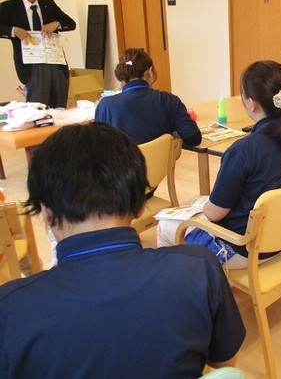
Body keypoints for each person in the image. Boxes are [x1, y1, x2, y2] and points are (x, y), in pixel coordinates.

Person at [0, 122, 246, 378]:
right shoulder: (198, 269)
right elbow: (225, 362)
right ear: (140, 205)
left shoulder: (10, 311)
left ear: (46, 213)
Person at [157, 60, 281, 269]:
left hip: (244, 247)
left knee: (165, 226)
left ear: (252, 103)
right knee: (197, 202)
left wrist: (199, 209)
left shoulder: (243, 151)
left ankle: (184, 283)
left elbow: (214, 214)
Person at [0, 0, 76, 108]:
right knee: (38, 109)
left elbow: (71, 23)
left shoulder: (48, 4)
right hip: (32, 65)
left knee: (60, 107)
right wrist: (13, 30)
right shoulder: (10, 6)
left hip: (55, 61)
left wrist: (56, 24)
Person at [95, 48, 202, 146]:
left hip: (125, 161)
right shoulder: (170, 101)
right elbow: (194, 138)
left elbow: (97, 148)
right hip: (160, 161)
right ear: (150, 72)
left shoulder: (106, 105)